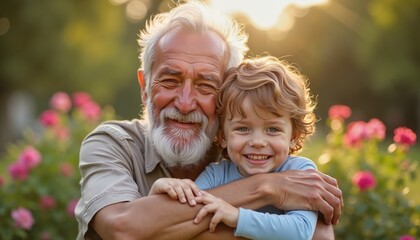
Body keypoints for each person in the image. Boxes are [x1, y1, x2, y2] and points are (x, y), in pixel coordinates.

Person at [75, 1, 342, 239]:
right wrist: (266, 188)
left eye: (205, 85)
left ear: (226, 95)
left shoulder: (247, 153)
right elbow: (122, 229)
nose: (185, 102)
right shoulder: (112, 143)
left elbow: (318, 233)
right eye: (170, 81)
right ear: (144, 87)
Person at [149, 56, 319, 240]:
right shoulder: (216, 175)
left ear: (293, 136)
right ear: (222, 136)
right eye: (243, 128)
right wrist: (160, 190)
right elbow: (182, 218)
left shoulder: (300, 172)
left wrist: (238, 217)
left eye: (273, 129)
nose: (258, 142)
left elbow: (300, 232)